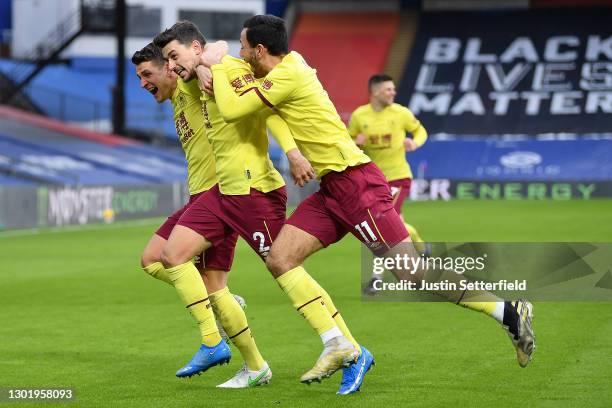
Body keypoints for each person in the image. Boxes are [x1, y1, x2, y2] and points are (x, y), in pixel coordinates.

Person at [200, 14, 536, 386]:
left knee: (410, 272)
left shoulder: (289, 74)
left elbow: (231, 109)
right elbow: (258, 106)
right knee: (280, 258)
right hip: (332, 190)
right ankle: (338, 343)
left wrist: (215, 66)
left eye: (244, 47)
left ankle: (507, 310)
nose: (241, 53)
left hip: (356, 185)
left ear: (260, 50)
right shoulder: (281, 72)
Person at [152, 21, 345, 388]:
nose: (170, 67)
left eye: (173, 57)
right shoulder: (194, 80)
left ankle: (343, 342)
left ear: (196, 47)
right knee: (170, 256)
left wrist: (292, 152)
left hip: (254, 188)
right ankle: (234, 351)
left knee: (284, 265)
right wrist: (204, 64)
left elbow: (267, 108)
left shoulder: (233, 68)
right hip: (222, 192)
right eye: (165, 60)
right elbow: (209, 58)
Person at [132, 43, 270, 387]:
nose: (143, 84)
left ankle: (213, 339)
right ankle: (251, 361)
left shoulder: (191, 84)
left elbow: (216, 47)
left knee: (175, 261)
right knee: (152, 259)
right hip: (200, 196)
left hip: (219, 194)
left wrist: (206, 66)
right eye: (138, 77)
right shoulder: (176, 97)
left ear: (169, 67)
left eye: (147, 74)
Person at [348, 73, 428, 294]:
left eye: (393, 89)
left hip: (398, 177)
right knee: (395, 223)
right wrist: (356, 142)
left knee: (379, 222)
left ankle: (376, 278)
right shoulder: (359, 115)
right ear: (374, 92)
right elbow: (348, 139)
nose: (393, 92)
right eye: (388, 89)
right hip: (374, 179)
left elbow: (420, 130)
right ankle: (421, 245)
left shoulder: (401, 113)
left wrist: (415, 142)